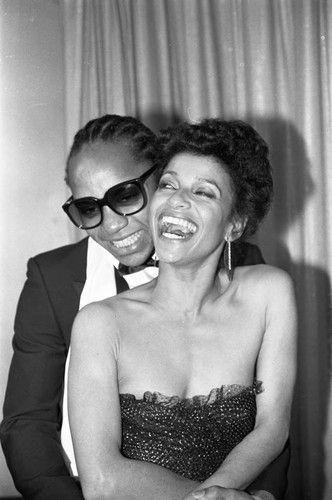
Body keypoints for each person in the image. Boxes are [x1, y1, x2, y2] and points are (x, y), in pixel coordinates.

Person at [1, 114, 288, 500]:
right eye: (89, 208)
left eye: (124, 196)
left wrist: (260, 496)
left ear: (158, 179)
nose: (111, 226)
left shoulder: (245, 266)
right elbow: (27, 423)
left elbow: (266, 417)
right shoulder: (52, 278)